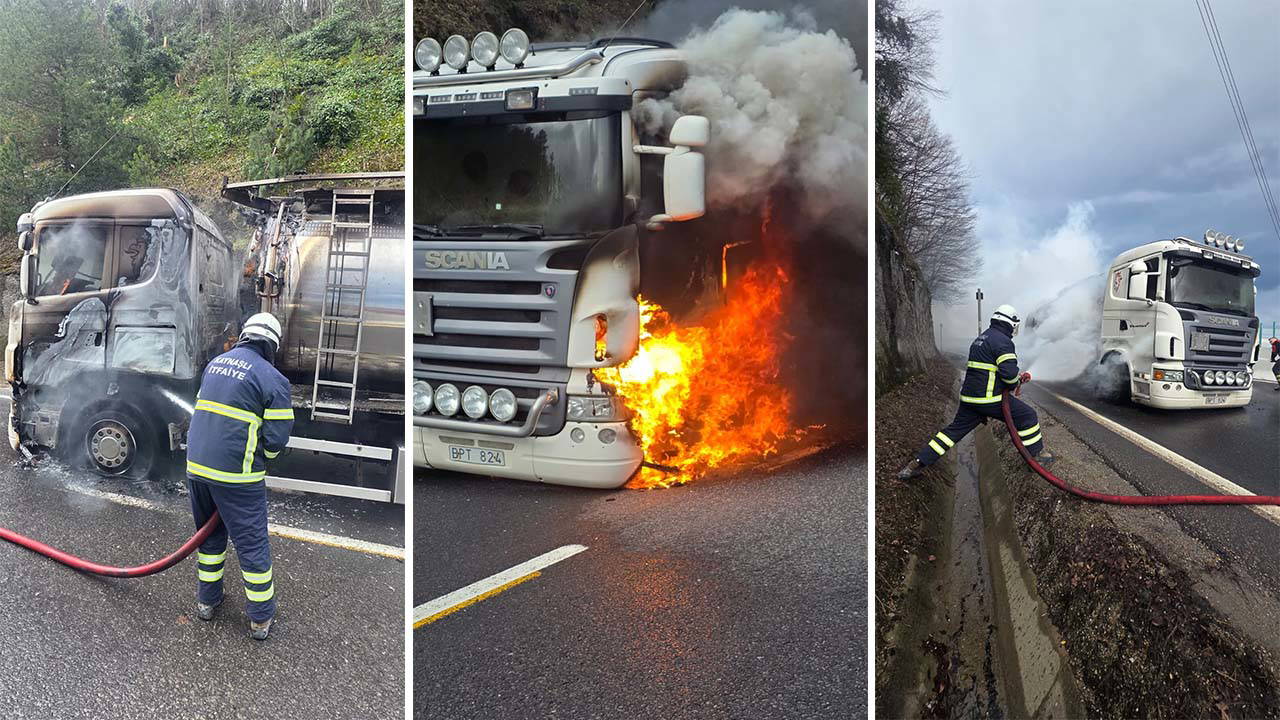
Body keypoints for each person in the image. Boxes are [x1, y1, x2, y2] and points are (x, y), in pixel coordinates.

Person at [185, 312, 294, 640]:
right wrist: (263, 462)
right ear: (272, 345)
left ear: (245, 336)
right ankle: (260, 617)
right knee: (251, 544)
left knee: (209, 538)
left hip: (197, 469)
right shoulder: (273, 378)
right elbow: (276, 439)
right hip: (236, 477)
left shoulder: (215, 364)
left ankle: (207, 601)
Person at [898, 304, 1056, 479]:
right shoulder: (1004, 342)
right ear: (1010, 324)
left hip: (969, 398)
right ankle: (1036, 457)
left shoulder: (981, 338)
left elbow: (989, 370)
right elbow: (1009, 377)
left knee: (951, 433)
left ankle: (916, 464)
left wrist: (1013, 378)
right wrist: (1017, 380)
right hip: (988, 399)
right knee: (1027, 415)